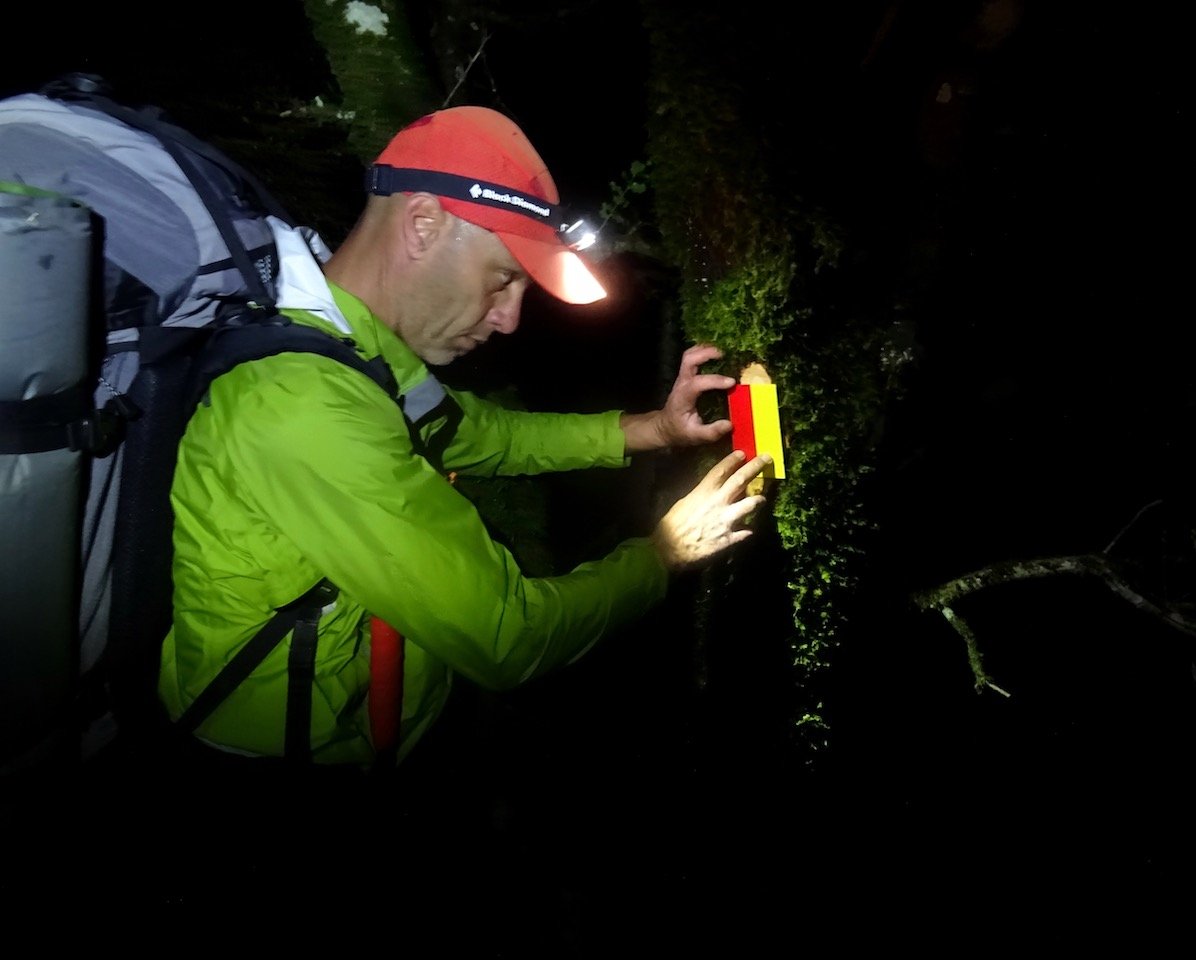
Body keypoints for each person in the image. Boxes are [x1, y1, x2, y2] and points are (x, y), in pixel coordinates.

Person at [157, 105, 770, 767]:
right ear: (423, 222)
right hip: (283, 772)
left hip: (389, 720)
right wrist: (667, 552)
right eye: (503, 279)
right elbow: (506, 637)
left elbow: (479, 434)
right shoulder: (298, 403)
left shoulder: (354, 342)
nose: (509, 320)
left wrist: (648, 430)